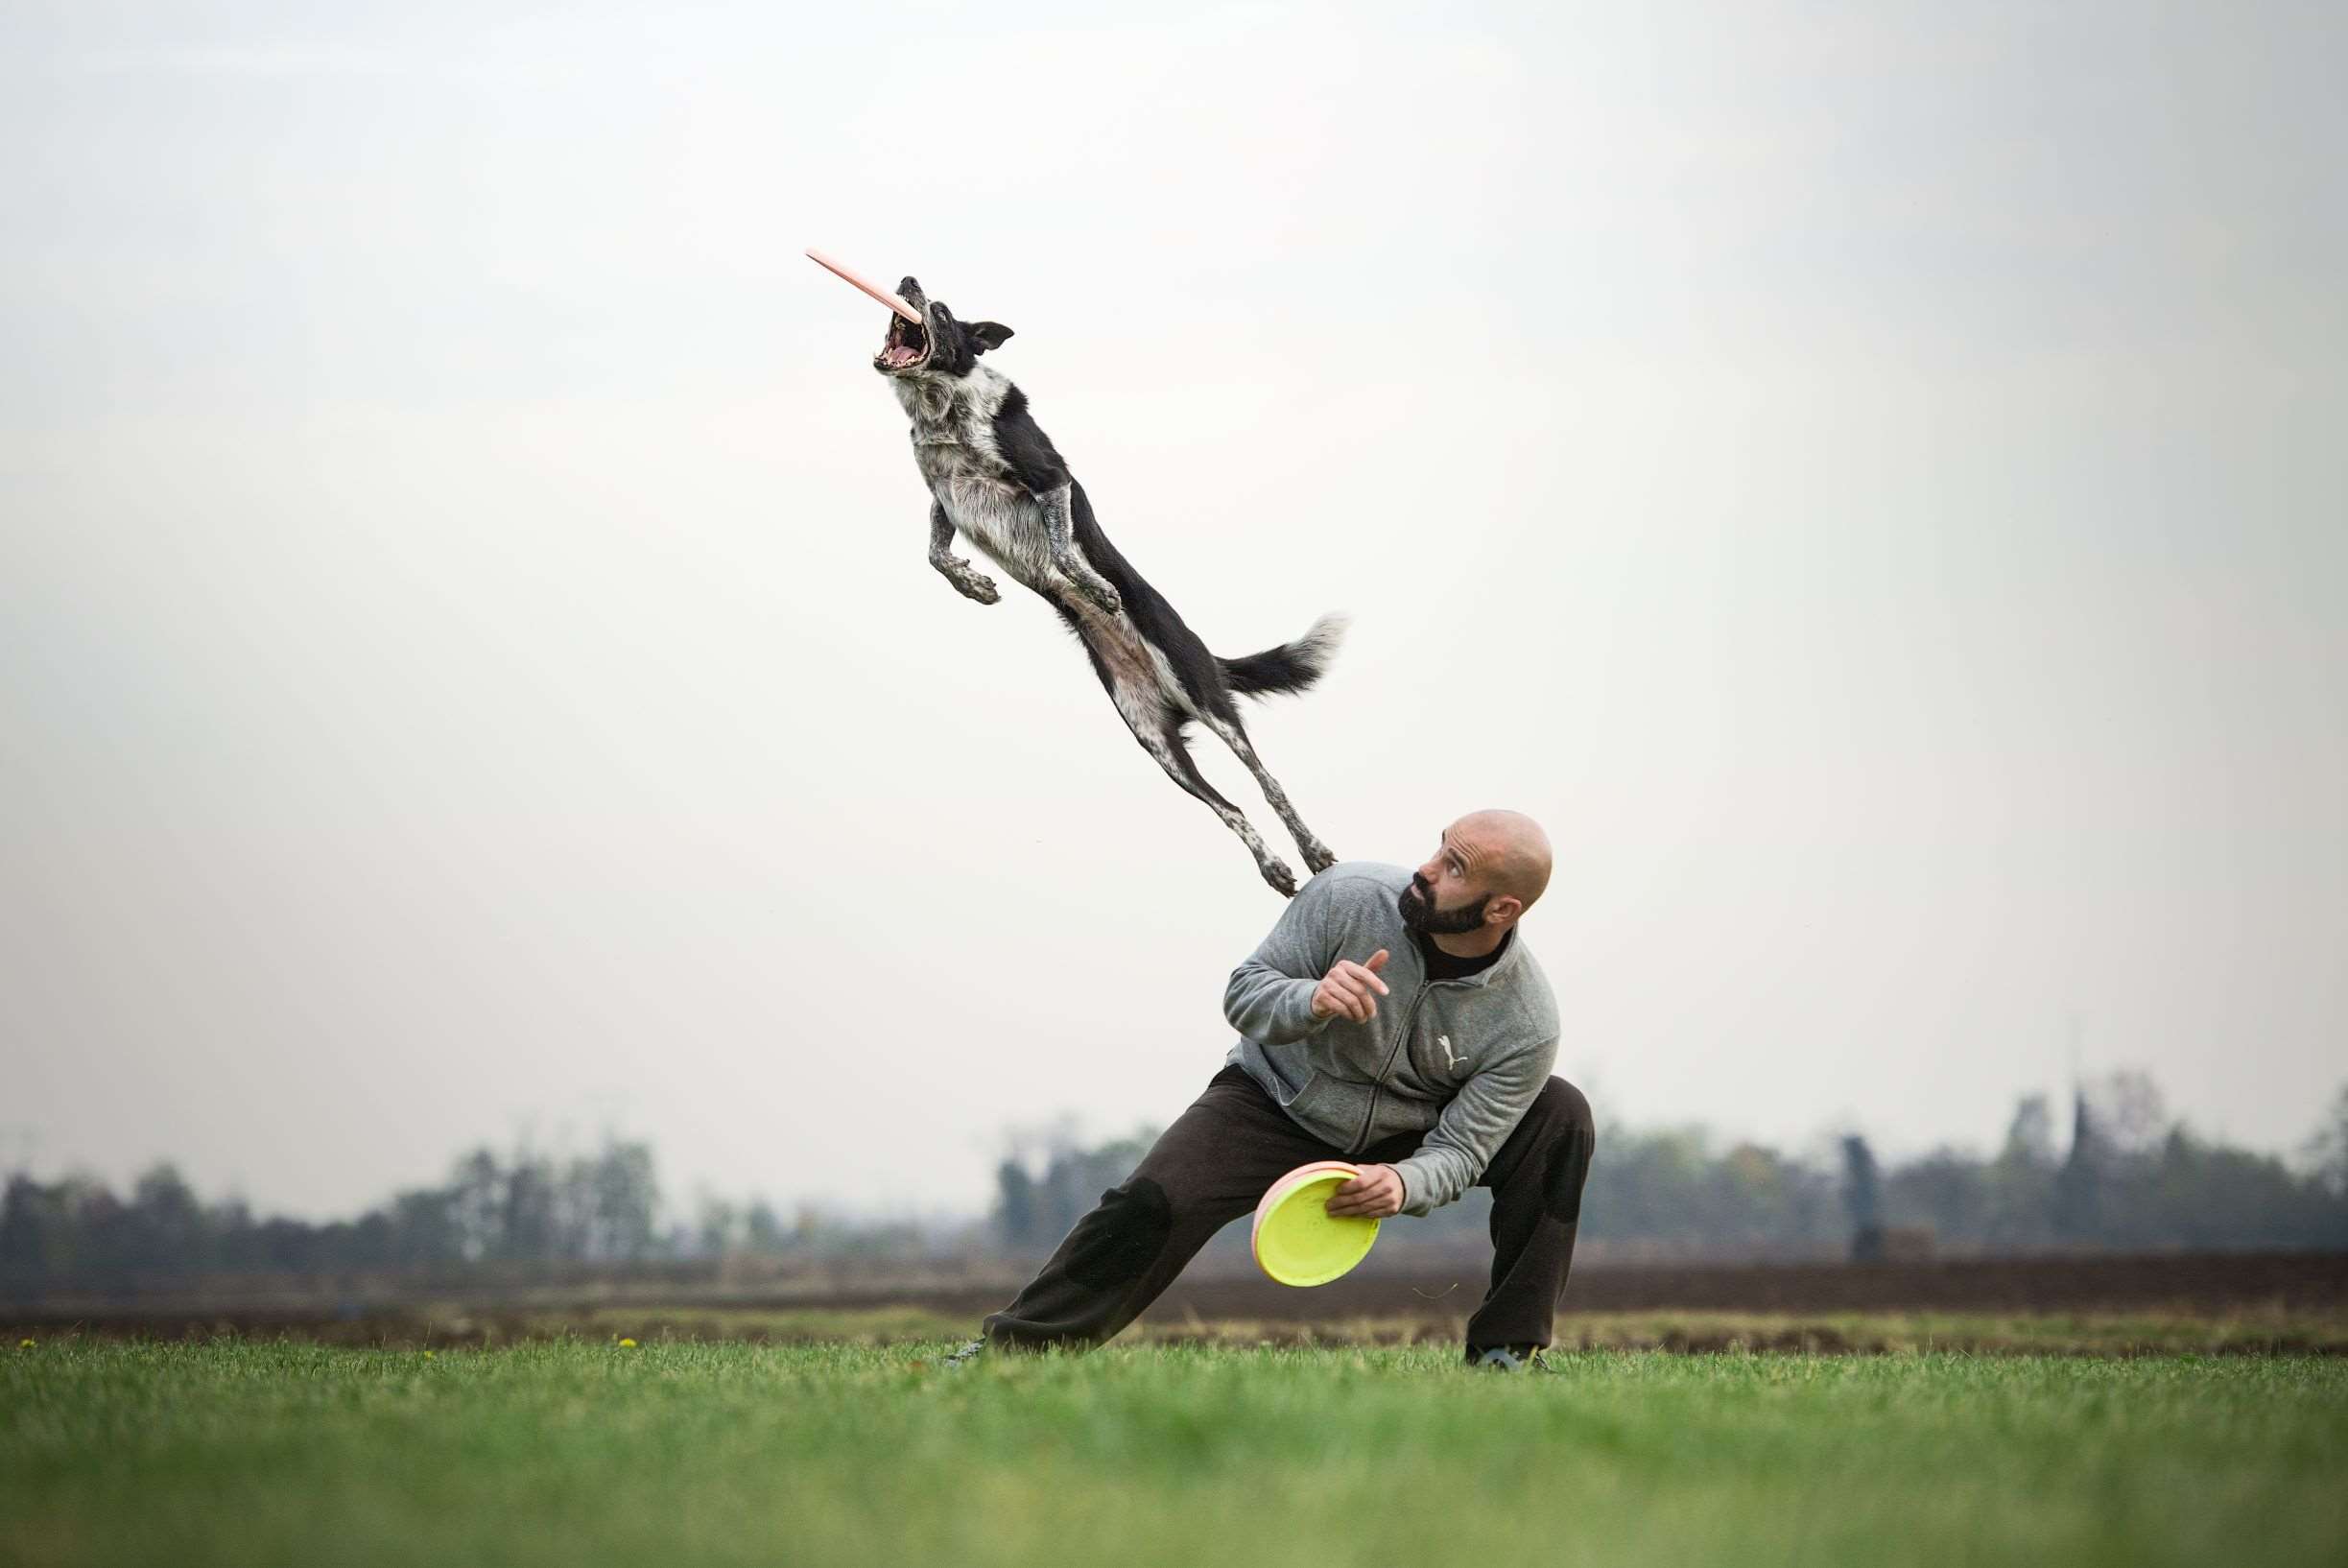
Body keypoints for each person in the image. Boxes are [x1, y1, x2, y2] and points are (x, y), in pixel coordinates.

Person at [951, 810, 1595, 1371]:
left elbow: (1463, 1150)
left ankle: (1506, 1352)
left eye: (1452, 867)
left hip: (1407, 1133)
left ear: (1500, 908)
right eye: (1436, 848)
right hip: (1274, 1098)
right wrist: (1308, 999)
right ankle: (1017, 1351)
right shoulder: (1346, 896)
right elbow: (1244, 991)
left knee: (1560, 1114)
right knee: (1146, 1203)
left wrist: (1404, 1184)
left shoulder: (1526, 1022)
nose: (1423, 870)